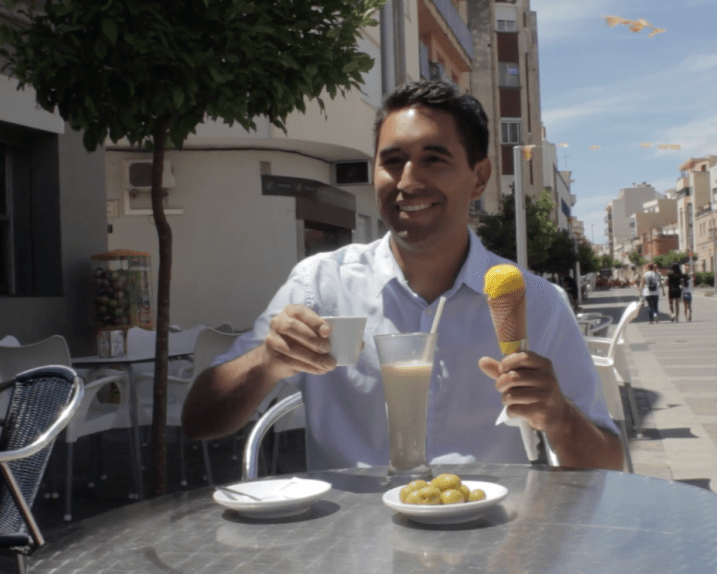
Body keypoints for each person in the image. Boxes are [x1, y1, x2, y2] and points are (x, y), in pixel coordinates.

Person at [182, 80, 623, 472]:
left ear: (479, 177)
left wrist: (559, 417)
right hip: (353, 534)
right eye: (392, 161)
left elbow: (608, 463)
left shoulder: (537, 301)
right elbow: (199, 420)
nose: (408, 181)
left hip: (491, 530)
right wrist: (267, 361)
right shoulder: (321, 285)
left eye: (434, 159)